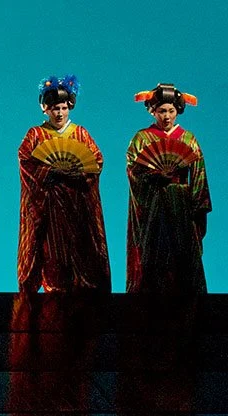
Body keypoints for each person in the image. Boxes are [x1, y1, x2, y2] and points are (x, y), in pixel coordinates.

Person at [17, 74, 110, 293]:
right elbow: (26, 160)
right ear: (45, 109)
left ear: (70, 107)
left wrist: (77, 174)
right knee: (51, 249)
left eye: (63, 108)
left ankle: (83, 287)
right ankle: (54, 287)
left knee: (81, 245)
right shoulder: (35, 135)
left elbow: (96, 161)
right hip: (49, 206)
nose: (59, 113)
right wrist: (51, 171)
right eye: (54, 109)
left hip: (77, 205)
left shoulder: (80, 134)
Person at [127, 82, 211, 293]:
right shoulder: (142, 138)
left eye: (171, 111)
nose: (166, 116)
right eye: (162, 111)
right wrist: (155, 176)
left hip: (181, 203)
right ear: (153, 111)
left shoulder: (188, 139)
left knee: (184, 253)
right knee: (155, 252)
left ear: (178, 111)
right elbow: (134, 170)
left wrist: (197, 205)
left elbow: (199, 174)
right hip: (154, 204)